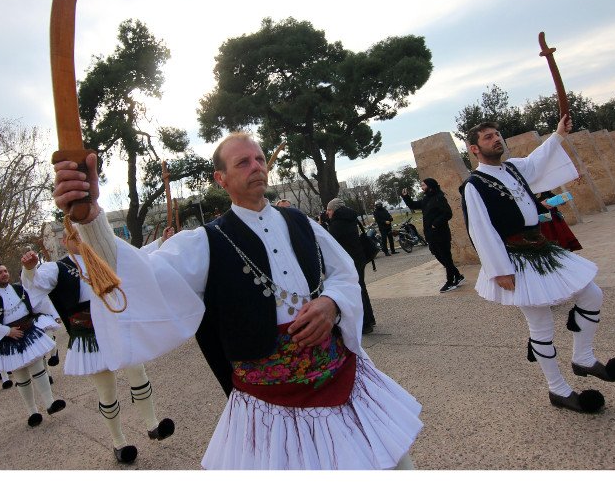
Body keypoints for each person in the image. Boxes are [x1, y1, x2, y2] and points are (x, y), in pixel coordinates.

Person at [53, 132, 422, 470]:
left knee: (393, 464)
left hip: (340, 375)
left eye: (259, 159)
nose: (256, 167)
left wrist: (331, 304)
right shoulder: (205, 242)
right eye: (243, 162)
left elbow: (343, 273)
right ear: (221, 179)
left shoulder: (301, 222)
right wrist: (91, 219)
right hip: (270, 405)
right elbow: (140, 279)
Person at [460, 117, 615, 413]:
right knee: (540, 324)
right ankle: (558, 390)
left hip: (541, 246)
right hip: (514, 258)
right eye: (488, 137)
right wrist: (499, 270)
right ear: (474, 149)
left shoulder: (513, 167)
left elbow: (537, 161)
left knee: (592, 294)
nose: (496, 139)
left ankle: (584, 358)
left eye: (497, 134)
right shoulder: (474, 185)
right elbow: (480, 228)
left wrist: (557, 134)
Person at [20, 234, 175, 464]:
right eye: (74, 235)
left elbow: (136, 255)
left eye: (84, 232)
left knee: (138, 372)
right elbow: (37, 283)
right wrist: (30, 270)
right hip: (88, 335)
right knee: (107, 388)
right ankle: (119, 442)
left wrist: (162, 241)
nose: (82, 238)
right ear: (65, 241)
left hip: (115, 326)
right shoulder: (58, 267)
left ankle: (153, 425)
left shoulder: (104, 255)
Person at [0, 263, 67, 427]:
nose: (4, 274)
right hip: (9, 339)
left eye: (5, 271)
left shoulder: (20, 289)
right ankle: (32, 411)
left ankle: (50, 403)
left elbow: (39, 303)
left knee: (38, 368)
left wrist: (53, 316)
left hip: (28, 332)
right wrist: (6, 331)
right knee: (21, 376)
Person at [402, 179, 464, 293]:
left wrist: (436, 223)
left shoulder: (439, 197)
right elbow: (413, 205)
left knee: (446, 258)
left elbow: (448, 213)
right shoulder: (426, 198)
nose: (421, 187)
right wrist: (406, 197)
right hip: (431, 236)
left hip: (441, 234)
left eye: (423, 185)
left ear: (430, 186)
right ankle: (458, 275)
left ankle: (450, 282)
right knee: (439, 256)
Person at [326, 198, 377, 334]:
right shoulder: (350, 218)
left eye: (329, 210)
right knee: (362, 288)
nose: (327, 213)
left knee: (356, 291)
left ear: (335, 210)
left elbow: (331, 242)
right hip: (359, 258)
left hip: (350, 261)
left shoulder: (337, 223)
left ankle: (365, 324)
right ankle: (370, 319)